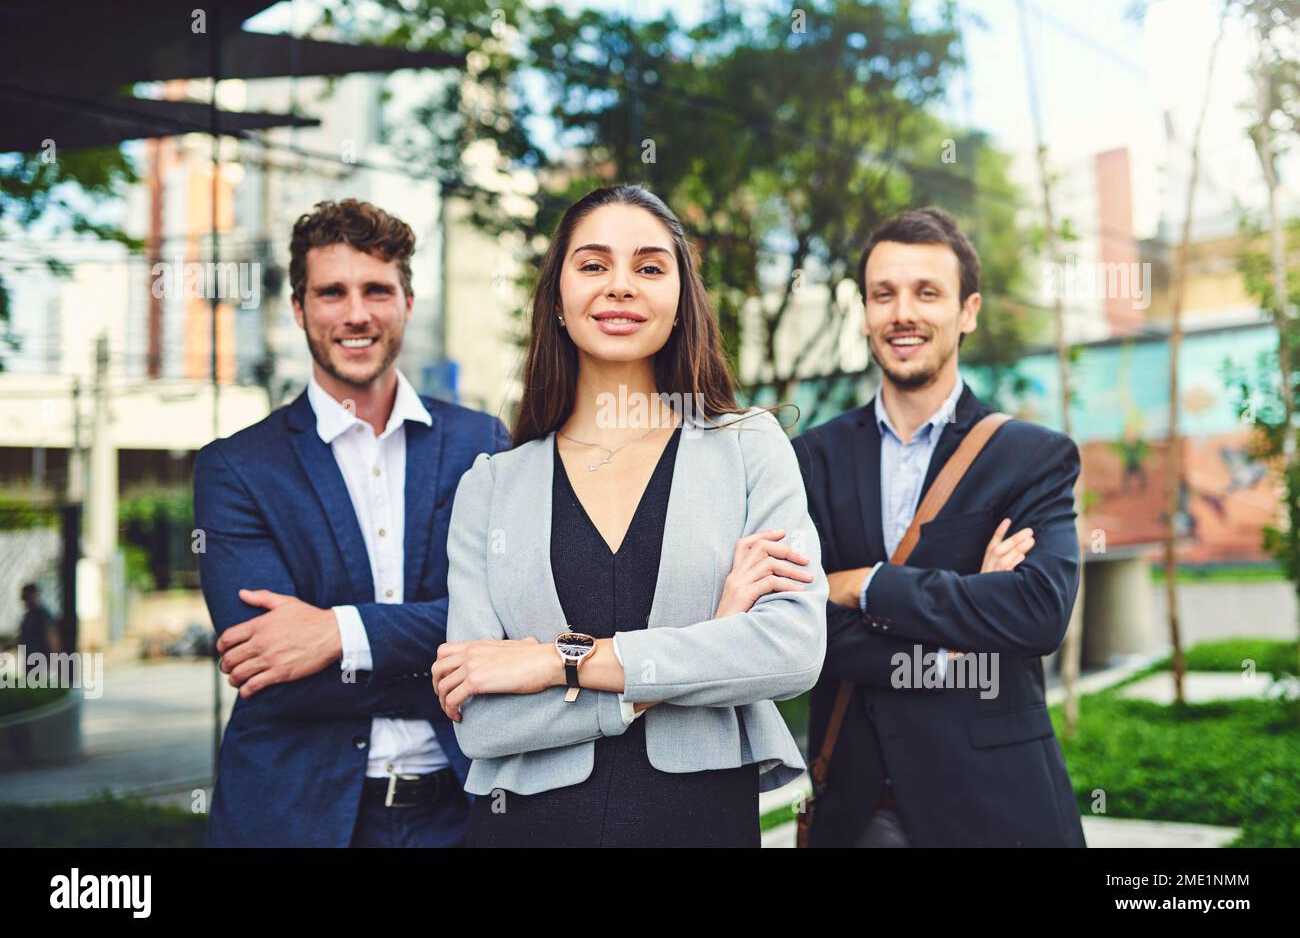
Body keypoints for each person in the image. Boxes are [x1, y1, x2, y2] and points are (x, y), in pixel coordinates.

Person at [431, 184, 827, 847]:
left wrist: (559, 661)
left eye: (648, 267)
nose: (620, 286)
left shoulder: (747, 447)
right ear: (557, 299)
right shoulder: (491, 486)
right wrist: (708, 644)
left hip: (698, 825)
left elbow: (790, 651)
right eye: (592, 265)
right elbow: (482, 720)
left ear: (680, 301)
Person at [193, 199, 509, 847]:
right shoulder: (237, 467)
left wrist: (336, 630)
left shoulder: (484, 442)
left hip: (463, 814)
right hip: (293, 816)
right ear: (299, 308)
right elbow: (272, 670)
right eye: (332, 292)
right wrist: (445, 653)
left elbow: (511, 620)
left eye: (376, 289)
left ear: (408, 302)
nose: (356, 313)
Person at [793, 207, 1086, 847]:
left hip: (999, 803)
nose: (904, 313)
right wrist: (958, 640)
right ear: (864, 311)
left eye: (928, 293)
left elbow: (1036, 612)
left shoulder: (1030, 456)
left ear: (968, 311)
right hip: (859, 804)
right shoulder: (810, 457)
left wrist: (864, 585)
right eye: (884, 294)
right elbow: (800, 624)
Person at [17, 583, 60, 659]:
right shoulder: (28, 616)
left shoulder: (41, 613)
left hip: (41, 659)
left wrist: (55, 657)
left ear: (34, 595)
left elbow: (52, 635)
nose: (25, 601)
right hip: (30, 659)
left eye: (27, 597)